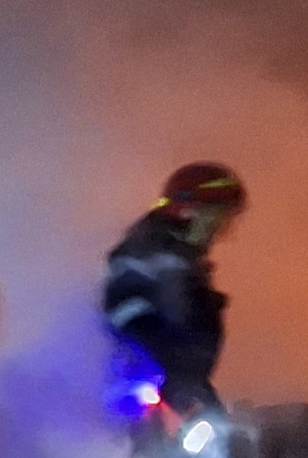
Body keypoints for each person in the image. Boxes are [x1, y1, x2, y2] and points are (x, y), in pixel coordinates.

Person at [102, 161, 246, 419]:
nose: (220, 228)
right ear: (189, 211)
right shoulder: (145, 252)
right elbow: (124, 310)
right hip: (142, 387)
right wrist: (161, 357)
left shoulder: (183, 261)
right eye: (215, 216)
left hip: (181, 387)